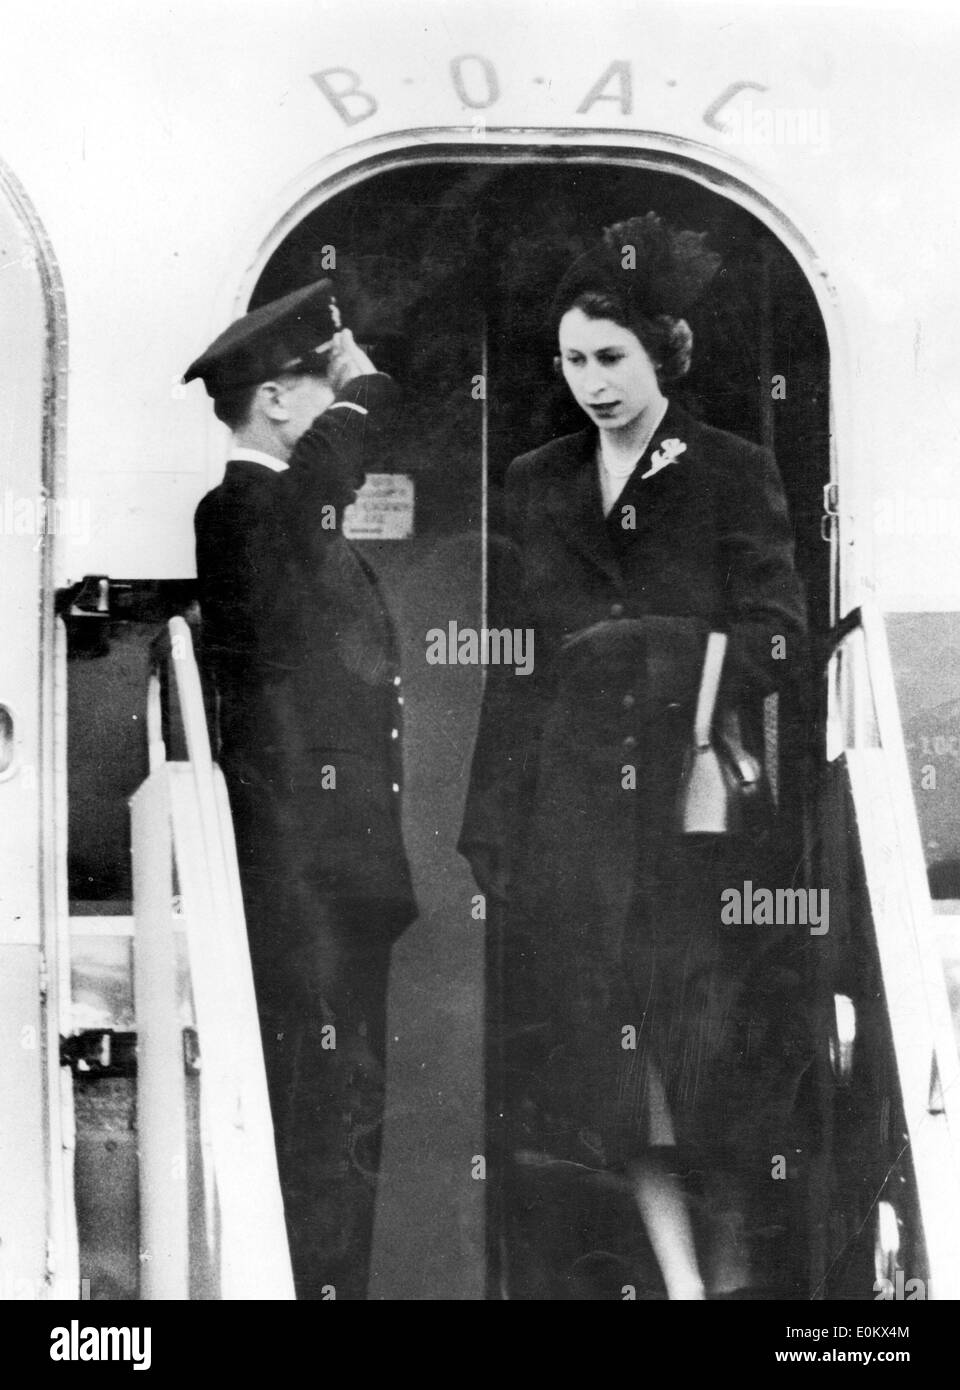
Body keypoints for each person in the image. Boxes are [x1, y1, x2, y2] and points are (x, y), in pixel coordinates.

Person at [459, 214, 810, 1300]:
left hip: (691, 823)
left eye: (612, 358)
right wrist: (492, 821)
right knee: (625, 1089)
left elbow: (782, 634)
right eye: (573, 360)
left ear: (666, 352)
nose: (592, 382)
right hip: (576, 827)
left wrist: (655, 653)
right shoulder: (533, 478)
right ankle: (686, 1291)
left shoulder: (729, 471)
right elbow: (514, 664)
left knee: (711, 1080)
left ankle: (742, 1277)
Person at [186, 279, 417, 1300]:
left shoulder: (282, 518)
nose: (338, 403)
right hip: (304, 890)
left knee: (344, 1117)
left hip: (335, 886)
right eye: (318, 384)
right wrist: (365, 385)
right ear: (276, 401)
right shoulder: (241, 511)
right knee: (327, 1119)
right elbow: (336, 462)